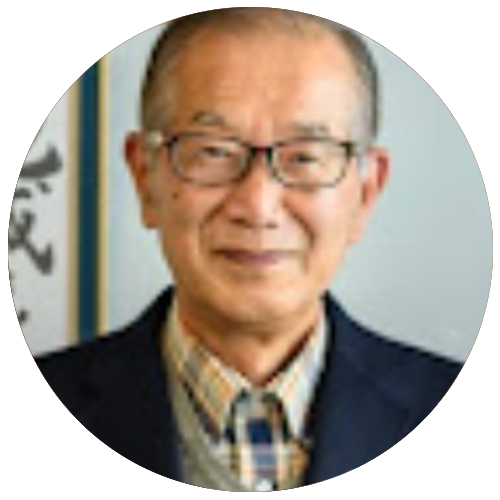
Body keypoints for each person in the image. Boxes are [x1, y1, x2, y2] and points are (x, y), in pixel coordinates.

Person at [9, 7, 492, 492]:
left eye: (304, 156)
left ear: (365, 193)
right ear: (145, 178)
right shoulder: (17, 424)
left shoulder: (477, 430)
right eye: (214, 151)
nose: (258, 206)